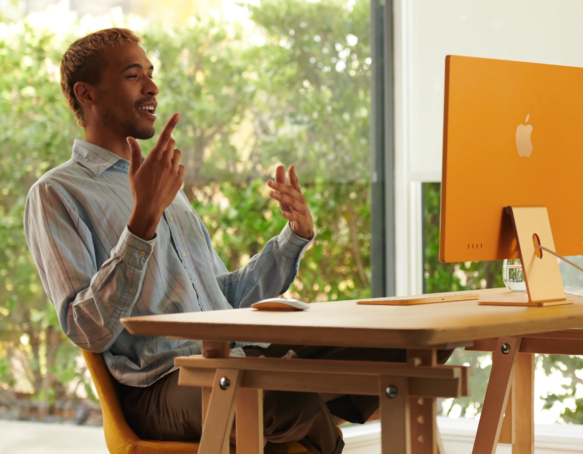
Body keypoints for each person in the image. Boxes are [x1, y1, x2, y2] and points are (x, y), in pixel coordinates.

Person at [23, 28, 449, 454]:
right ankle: (307, 404)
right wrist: (141, 225)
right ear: (87, 94)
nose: (152, 87)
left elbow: (224, 299)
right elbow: (86, 328)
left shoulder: (162, 182)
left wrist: (293, 238)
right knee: (281, 395)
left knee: (415, 343)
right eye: (134, 75)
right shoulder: (57, 193)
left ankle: (300, 395)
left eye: (151, 73)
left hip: (234, 353)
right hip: (161, 383)